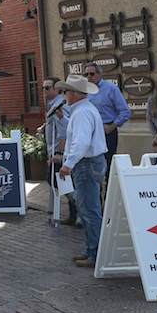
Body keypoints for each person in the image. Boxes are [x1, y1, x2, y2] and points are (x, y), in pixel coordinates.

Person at [56, 75, 108, 268]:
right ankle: (92, 251)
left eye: (65, 91)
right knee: (88, 209)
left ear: (71, 93)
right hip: (90, 162)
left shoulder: (82, 112)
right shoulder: (85, 110)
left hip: (86, 164)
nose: (65, 95)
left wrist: (68, 164)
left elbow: (81, 142)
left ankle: (96, 255)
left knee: (89, 210)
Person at [41, 78, 77, 226]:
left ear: (57, 90)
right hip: (54, 149)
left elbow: (64, 131)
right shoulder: (52, 105)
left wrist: (61, 153)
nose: (45, 91)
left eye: (48, 88)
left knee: (58, 181)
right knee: (65, 182)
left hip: (60, 151)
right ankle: (74, 215)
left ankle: (80, 206)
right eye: (43, 88)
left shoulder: (59, 105)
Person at [83, 62, 130, 170]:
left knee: (108, 164)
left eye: (92, 74)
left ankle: (110, 186)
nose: (89, 77)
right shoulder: (84, 91)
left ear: (99, 74)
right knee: (91, 165)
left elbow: (125, 112)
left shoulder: (111, 88)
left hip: (107, 131)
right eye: (86, 75)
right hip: (89, 132)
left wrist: (113, 126)